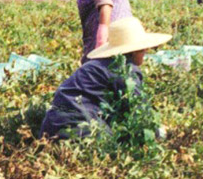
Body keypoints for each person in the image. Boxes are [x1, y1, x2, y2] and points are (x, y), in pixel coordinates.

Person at [40, 17, 171, 140]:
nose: (146, 51)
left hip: (50, 127)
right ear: (134, 50)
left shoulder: (97, 65)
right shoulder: (125, 70)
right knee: (116, 146)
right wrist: (160, 132)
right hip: (79, 127)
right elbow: (139, 113)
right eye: (143, 49)